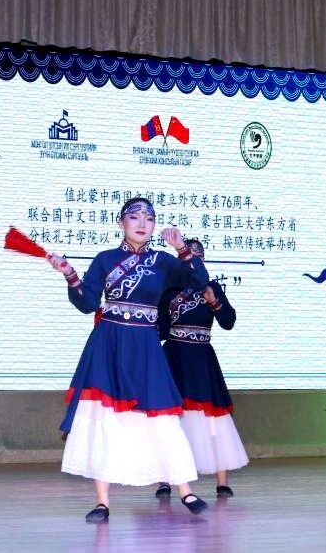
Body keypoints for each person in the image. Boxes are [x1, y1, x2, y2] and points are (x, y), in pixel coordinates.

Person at [48, 198, 208, 522]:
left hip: (146, 345)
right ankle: (102, 502)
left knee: (162, 417)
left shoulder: (163, 262)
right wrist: (69, 274)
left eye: (149, 219)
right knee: (104, 420)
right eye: (134, 217)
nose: (142, 223)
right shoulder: (105, 259)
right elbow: (87, 303)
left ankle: (185, 490)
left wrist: (182, 249)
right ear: (121, 222)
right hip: (109, 344)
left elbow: (200, 282)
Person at [155, 239, 248, 499]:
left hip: (203, 358)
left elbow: (228, 321)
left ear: (203, 260)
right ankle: (164, 479)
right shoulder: (169, 290)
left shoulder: (212, 287)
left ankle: (222, 481)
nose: (193, 261)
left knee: (213, 419)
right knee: (170, 418)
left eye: (198, 257)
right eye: (188, 257)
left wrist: (214, 302)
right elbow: (161, 331)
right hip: (174, 356)